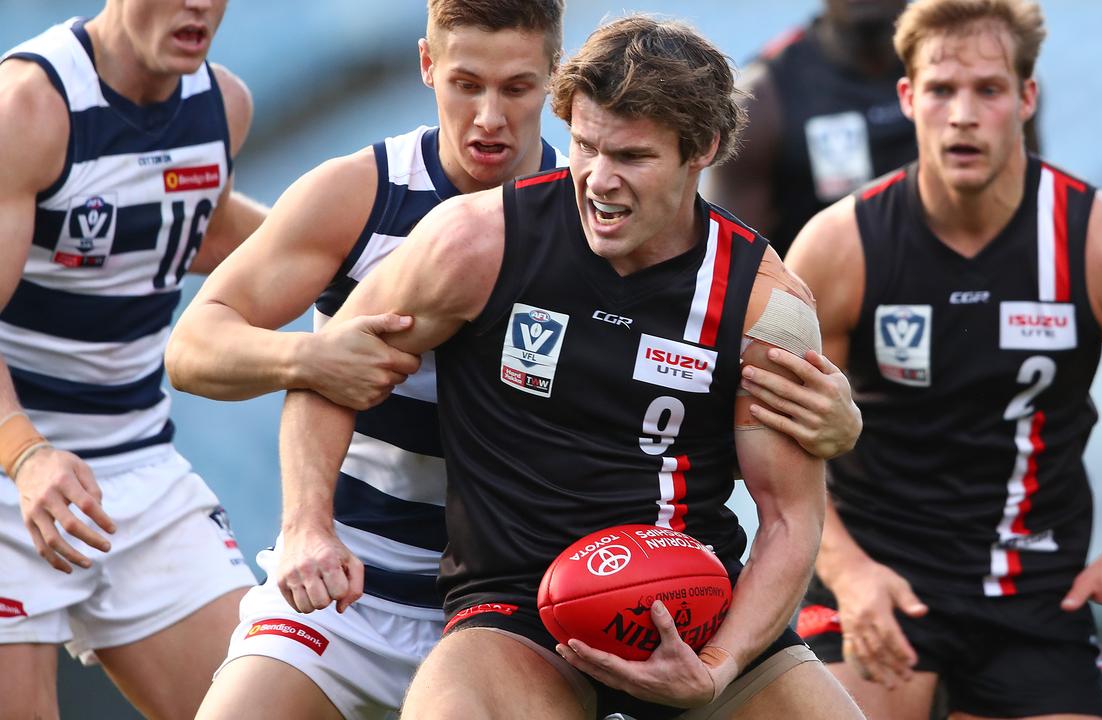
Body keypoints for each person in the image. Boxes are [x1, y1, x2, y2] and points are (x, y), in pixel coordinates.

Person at [165, 3, 860, 718]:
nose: (599, 179)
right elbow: (327, 372)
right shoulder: (474, 239)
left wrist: (718, 667)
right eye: (587, 146)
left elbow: (787, 519)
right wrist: (307, 523)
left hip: (695, 601)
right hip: (508, 610)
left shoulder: (763, 302)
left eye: (631, 157)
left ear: (703, 149)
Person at [773, 1, 1102, 719]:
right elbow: (771, 428)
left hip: (1033, 595)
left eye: (988, 89)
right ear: (908, 98)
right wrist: (848, 572)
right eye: (942, 90)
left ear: (1026, 98)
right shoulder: (840, 247)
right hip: (882, 583)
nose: (963, 115)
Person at [0, 1, 267, 717]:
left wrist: (346, 254)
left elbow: (190, 225)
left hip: (138, 470)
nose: (198, 6)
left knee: (265, 700)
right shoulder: (30, 105)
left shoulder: (222, 106)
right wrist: (26, 455)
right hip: (9, 464)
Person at [705, 0, 1041, 261]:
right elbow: (730, 265)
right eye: (940, 91)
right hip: (824, 320)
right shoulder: (763, 99)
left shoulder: (987, 78)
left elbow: (1030, 212)